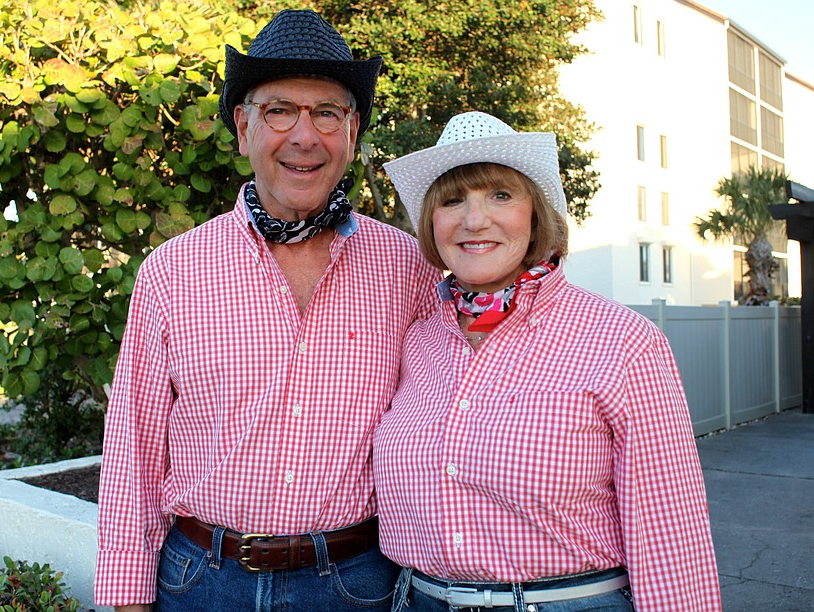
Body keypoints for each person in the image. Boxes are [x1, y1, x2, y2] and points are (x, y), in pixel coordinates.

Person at [94, 10, 440, 611]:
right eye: (280, 110)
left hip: (357, 584)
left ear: (352, 131)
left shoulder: (409, 267)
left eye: (326, 113)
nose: (304, 137)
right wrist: (123, 598)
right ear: (243, 127)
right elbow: (134, 450)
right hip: (200, 582)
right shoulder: (173, 270)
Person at [375, 111, 722, 611]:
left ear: (535, 212)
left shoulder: (621, 339)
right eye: (453, 201)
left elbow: (670, 528)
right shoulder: (418, 341)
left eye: (500, 195)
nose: (474, 220)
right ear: (432, 223)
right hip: (418, 598)